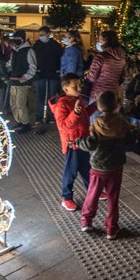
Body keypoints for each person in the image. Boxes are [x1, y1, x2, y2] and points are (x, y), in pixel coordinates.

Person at [75, 90, 131, 240]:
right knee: (113, 198)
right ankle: (111, 229)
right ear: (117, 105)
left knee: (92, 194)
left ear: (99, 107)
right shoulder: (122, 123)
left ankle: (86, 221)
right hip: (116, 167)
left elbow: (90, 144)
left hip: (98, 167)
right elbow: (129, 140)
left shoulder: (96, 123)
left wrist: (78, 142)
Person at [49, 73, 92, 212]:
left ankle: (92, 191)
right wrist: (76, 113)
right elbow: (63, 126)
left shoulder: (77, 99)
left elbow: (84, 115)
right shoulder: (62, 104)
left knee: (86, 169)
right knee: (71, 172)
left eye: (80, 85)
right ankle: (66, 197)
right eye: (75, 86)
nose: (79, 88)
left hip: (82, 141)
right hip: (72, 144)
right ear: (66, 88)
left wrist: (97, 105)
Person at [7, 31, 38, 133]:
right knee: (13, 104)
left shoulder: (29, 50)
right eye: (14, 38)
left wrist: (25, 77)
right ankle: (19, 121)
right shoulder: (14, 50)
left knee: (20, 104)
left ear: (23, 39)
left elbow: (33, 67)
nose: (15, 40)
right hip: (13, 81)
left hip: (23, 82)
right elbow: (10, 63)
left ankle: (25, 123)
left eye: (18, 38)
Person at [32, 26, 63, 126]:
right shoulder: (36, 45)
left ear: (49, 34)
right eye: (40, 34)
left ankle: (51, 116)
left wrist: (58, 70)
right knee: (40, 97)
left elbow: (60, 59)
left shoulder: (56, 46)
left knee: (52, 97)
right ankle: (39, 117)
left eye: (43, 34)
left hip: (53, 74)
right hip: (40, 74)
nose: (41, 36)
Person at [86, 31, 126, 104]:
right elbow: (122, 77)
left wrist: (86, 75)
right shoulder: (122, 58)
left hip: (98, 94)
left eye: (100, 39)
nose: (98, 42)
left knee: (94, 111)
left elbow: (92, 77)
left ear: (106, 41)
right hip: (113, 94)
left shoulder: (101, 57)